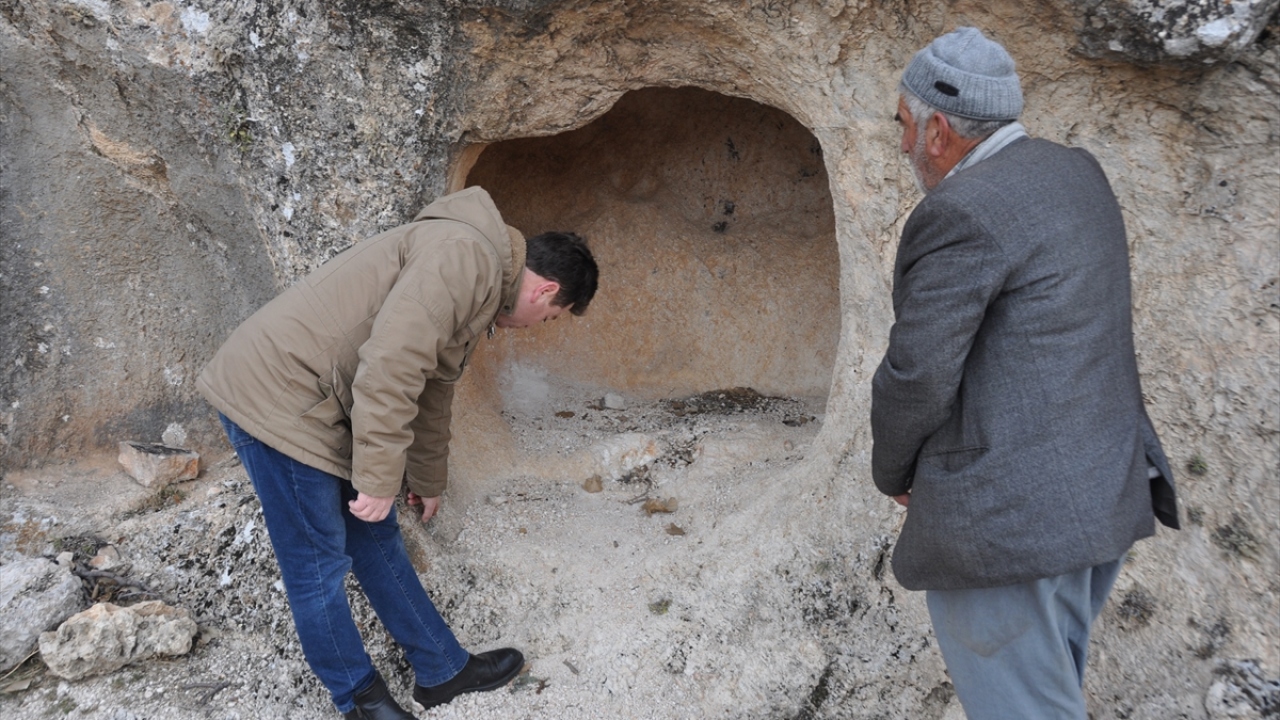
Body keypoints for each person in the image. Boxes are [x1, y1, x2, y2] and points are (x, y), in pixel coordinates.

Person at [196, 186, 599, 719]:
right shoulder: (465, 259)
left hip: (320, 400)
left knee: (376, 536)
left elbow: (433, 383)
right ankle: (359, 701)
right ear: (546, 291)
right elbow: (390, 368)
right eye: (550, 318)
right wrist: (380, 478)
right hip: (278, 397)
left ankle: (442, 670)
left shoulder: (479, 274)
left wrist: (426, 476)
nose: (538, 328)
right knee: (318, 564)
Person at [870, 27, 1180, 718]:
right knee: (1047, 693)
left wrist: (893, 472)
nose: (901, 145)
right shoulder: (1076, 172)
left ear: (939, 131)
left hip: (1009, 526)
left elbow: (917, 372)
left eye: (902, 125)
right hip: (1098, 497)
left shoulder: (959, 211)